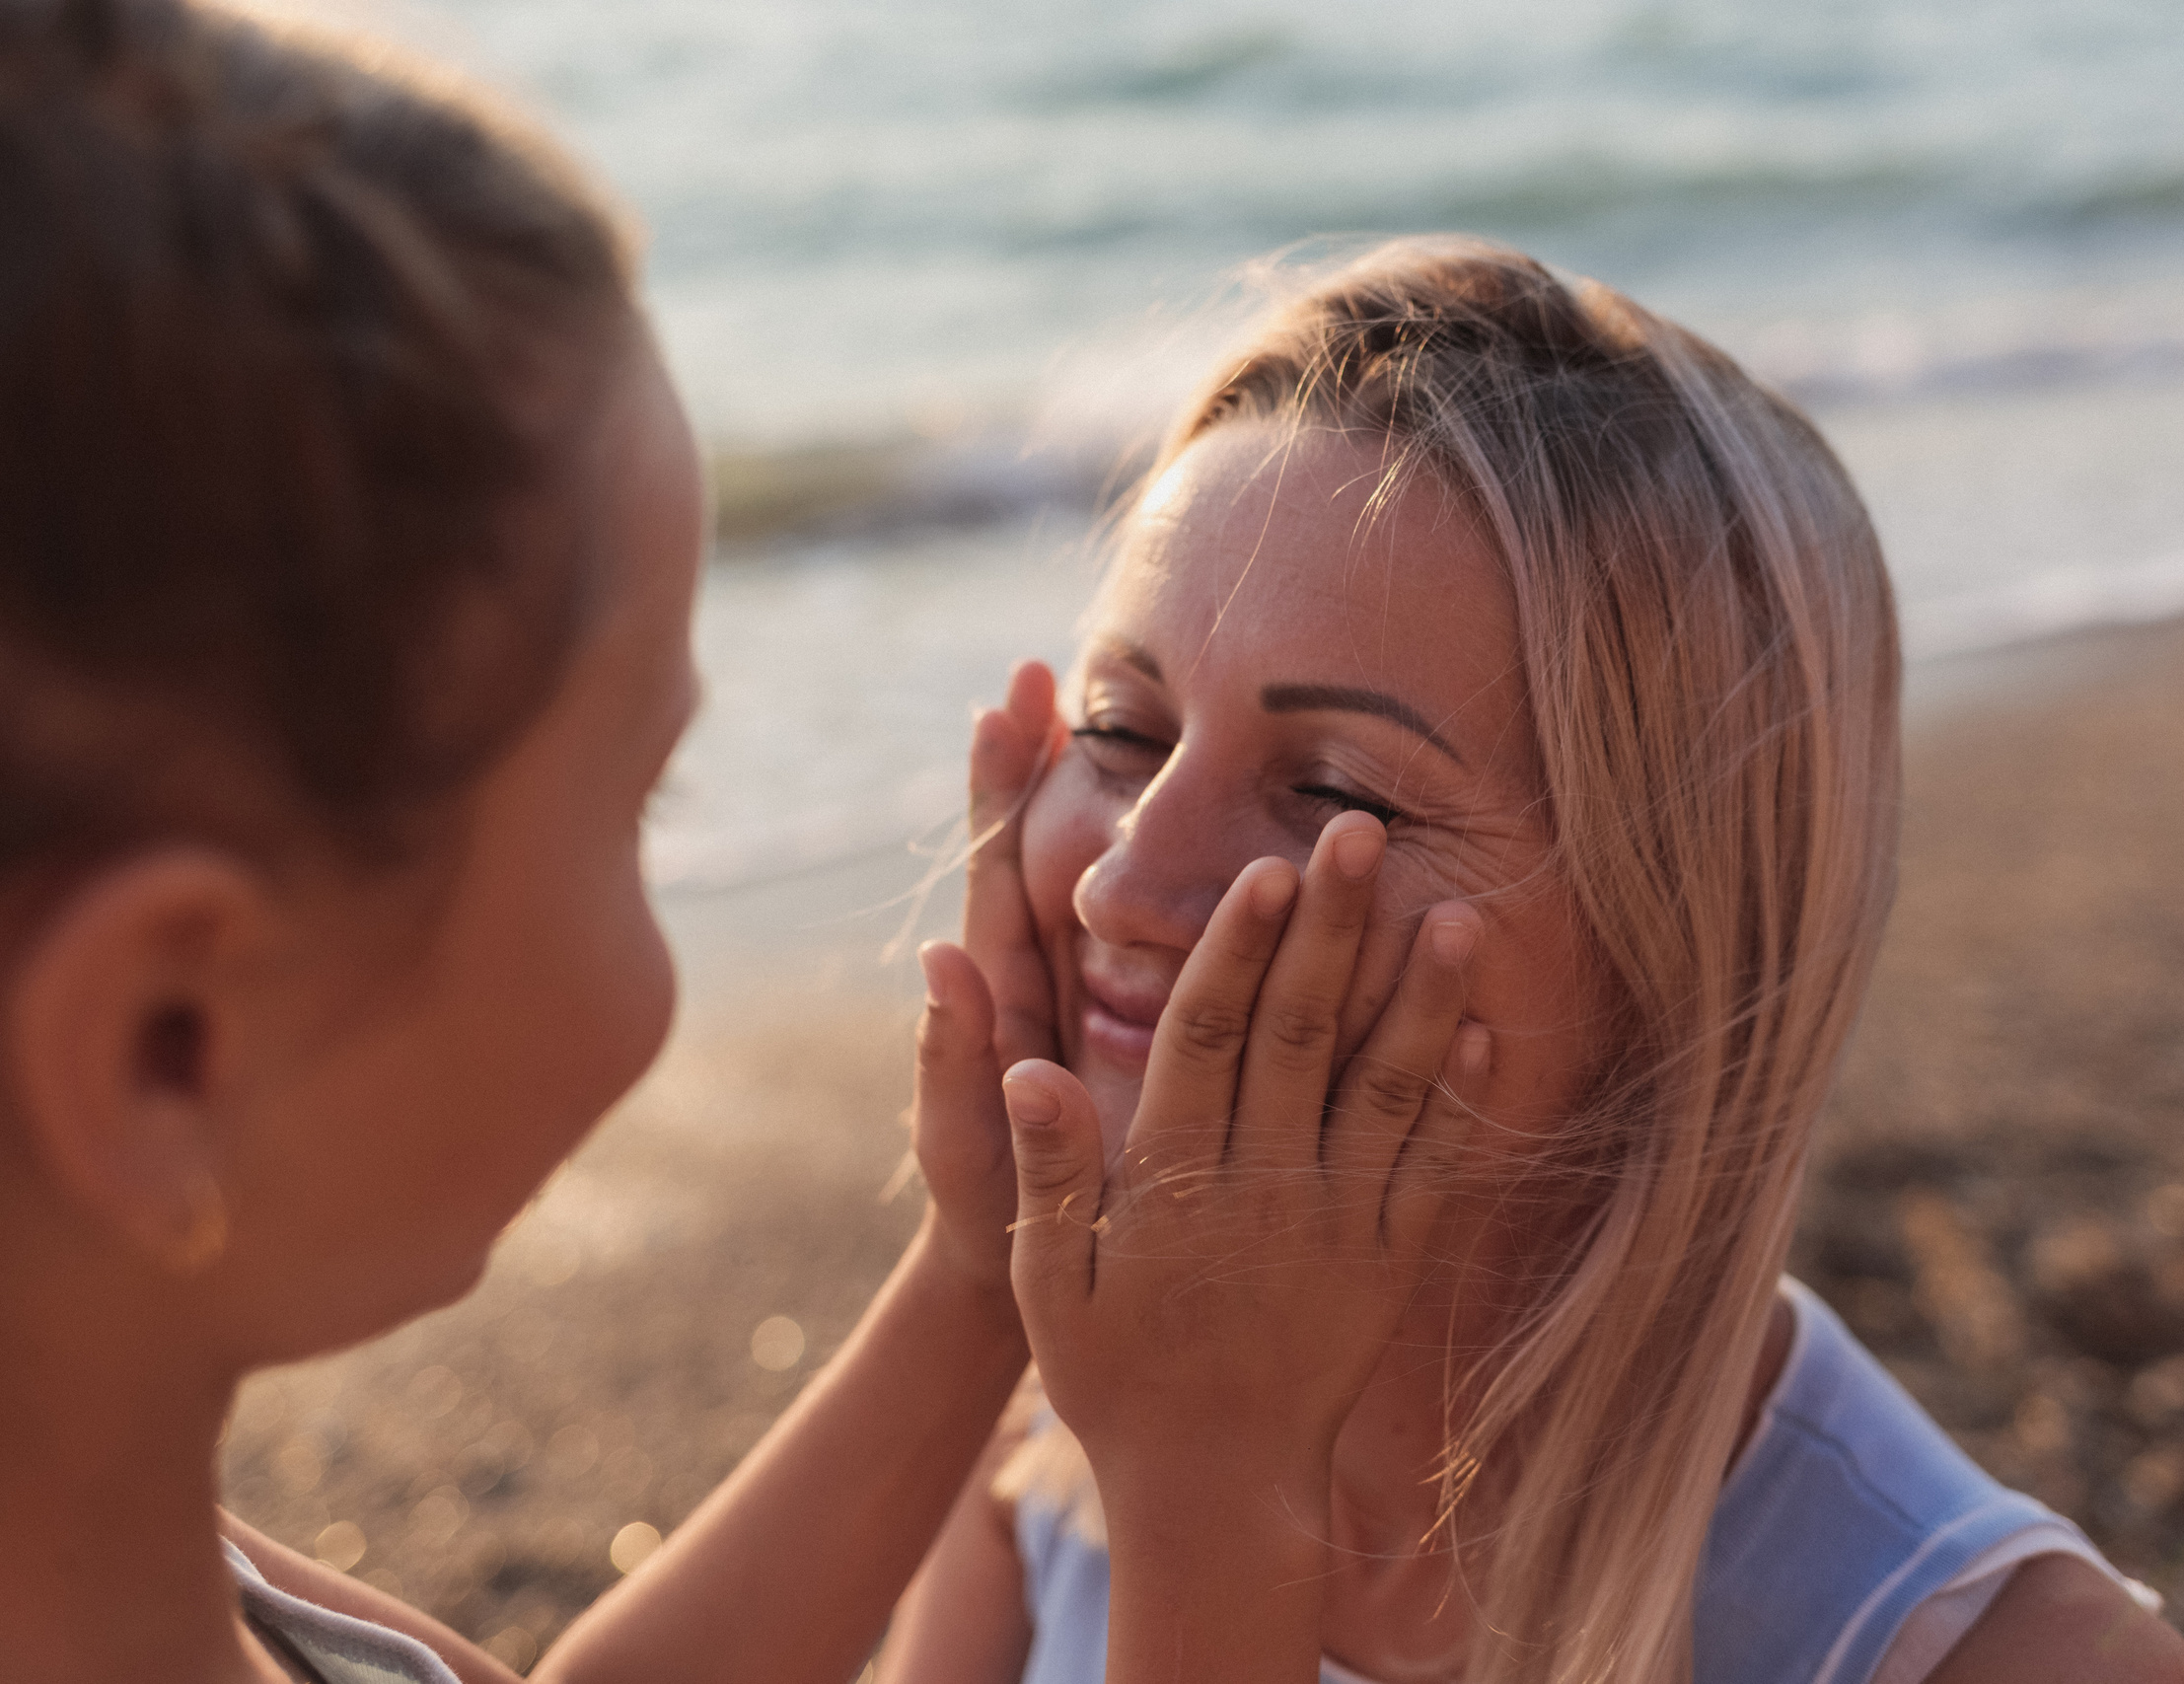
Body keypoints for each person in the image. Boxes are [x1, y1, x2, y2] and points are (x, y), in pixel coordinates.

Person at [0, 6, 1488, 1682]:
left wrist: (976, 1279)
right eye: (639, 806)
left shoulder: (134, 1542)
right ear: (164, 1048)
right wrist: (1219, 1494)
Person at [876, 241, 2184, 1684]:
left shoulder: (1995, 1659)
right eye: (1119, 730)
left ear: (1674, 945)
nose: (1126, 884)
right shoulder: (1052, 1429)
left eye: (1336, 794)